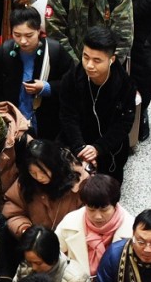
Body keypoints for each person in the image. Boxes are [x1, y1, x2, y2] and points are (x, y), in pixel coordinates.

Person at [0, 6, 73, 138]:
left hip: (48, 124)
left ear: (38, 31)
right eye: (17, 35)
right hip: (12, 124)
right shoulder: (3, 53)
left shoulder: (54, 52)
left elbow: (72, 85)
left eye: (29, 35)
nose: (23, 41)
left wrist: (47, 88)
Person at [58, 25, 136, 177]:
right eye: (85, 57)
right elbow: (67, 116)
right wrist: (80, 147)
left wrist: (98, 148)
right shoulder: (72, 78)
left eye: (97, 60)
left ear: (111, 60)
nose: (89, 65)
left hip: (110, 149)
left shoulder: (125, 85)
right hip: (75, 142)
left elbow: (124, 123)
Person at [2, 141, 88, 241]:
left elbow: (88, 212)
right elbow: (14, 212)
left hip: (73, 241)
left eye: (42, 171)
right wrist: (26, 230)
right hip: (39, 245)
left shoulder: (77, 181)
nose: (39, 177)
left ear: (53, 165)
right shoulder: (26, 183)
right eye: (33, 172)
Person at [55, 173, 130, 276]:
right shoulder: (69, 223)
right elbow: (54, 255)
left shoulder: (131, 229)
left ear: (115, 205)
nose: (97, 216)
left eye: (104, 210)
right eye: (91, 210)